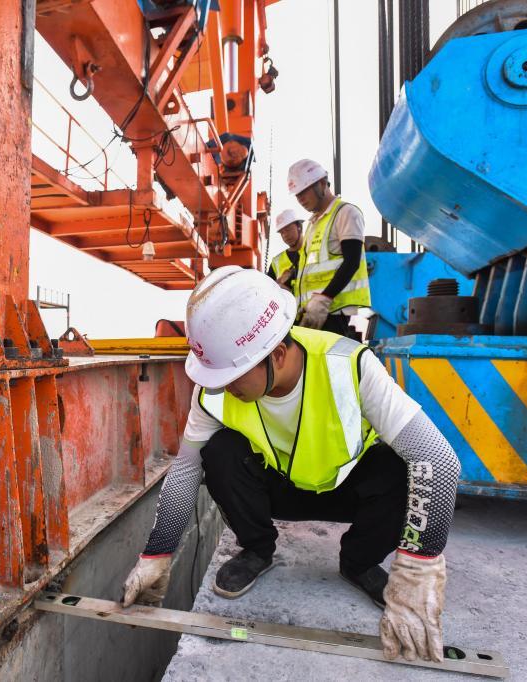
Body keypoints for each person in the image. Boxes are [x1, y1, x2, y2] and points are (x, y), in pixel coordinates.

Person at [121, 267, 460, 663]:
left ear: (278, 355)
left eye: (232, 376)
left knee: (402, 468)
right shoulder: (214, 390)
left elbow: (439, 460)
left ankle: (359, 562)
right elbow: (185, 470)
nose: (222, 386)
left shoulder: (348, 364)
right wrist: (156, 555)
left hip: (348, 487)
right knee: (219, 452)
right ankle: (257, 550)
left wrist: (418, 570)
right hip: (280, 489)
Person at [286, 158, 371, 338]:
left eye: (304, 191)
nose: (300, 199)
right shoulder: (313, 224)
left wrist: (325, 299)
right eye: (297, 195)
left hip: (334, 312)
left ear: (323, 184)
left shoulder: (346, 213)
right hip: (312, 311)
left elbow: (352, 261)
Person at [266, 208, 307, 295]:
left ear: (299, 227)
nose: (285, 235)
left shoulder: (313, 250)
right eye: (281, 233)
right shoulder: (276, 262)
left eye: (288, 230)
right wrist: (279, 284)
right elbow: (267, 291)